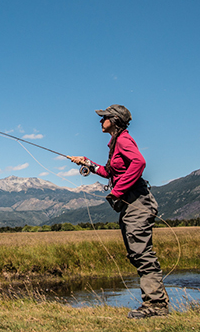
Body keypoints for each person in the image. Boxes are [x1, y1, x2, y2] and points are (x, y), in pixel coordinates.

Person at [69, 104, 169, 319]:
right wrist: (87, 162)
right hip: (131, 204)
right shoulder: (115, 143)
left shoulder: (123, 140)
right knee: (136, 253)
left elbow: (139, 163)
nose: (100, 121)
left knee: (141, 253)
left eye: (103, 117)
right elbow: (108, 172)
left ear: (114, 120)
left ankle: (156, 306)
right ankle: (156, 303)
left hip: (137, 202)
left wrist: (117, 191)